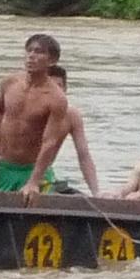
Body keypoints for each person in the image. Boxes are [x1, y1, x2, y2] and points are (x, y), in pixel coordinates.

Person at [0, 32, 71, 202]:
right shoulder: (10, 83)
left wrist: (34, 182)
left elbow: (50, 142)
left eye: (39, 52)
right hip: (5, 167)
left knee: (34, 212)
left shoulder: (56, 98)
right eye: (29, 50)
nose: (31, 56)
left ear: (52, 60)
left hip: (34, 170)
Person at [47, 64, 100, 195]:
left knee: (81, 199)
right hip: (17, 174)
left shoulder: (71, 116)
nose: (54, 93)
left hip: (47, 176)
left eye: (58, 86)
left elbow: (84, 156)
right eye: (49, 87)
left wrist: (96, 193)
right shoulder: (26, 110)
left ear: (65, 89)